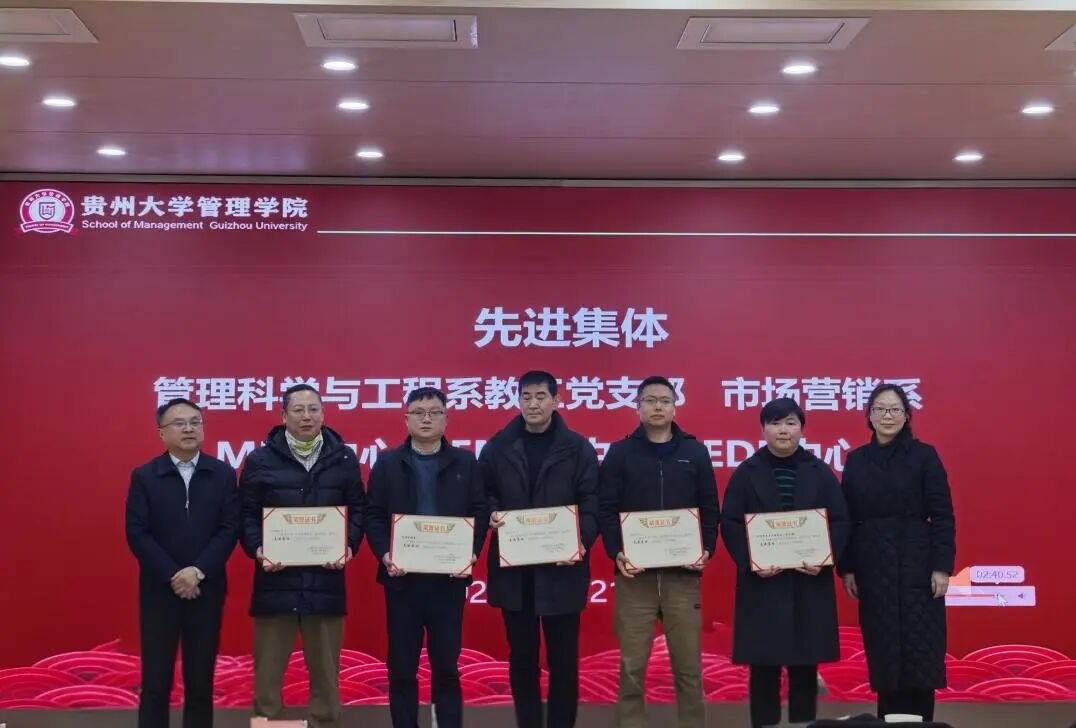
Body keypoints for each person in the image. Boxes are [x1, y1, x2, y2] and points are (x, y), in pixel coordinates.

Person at [239, 384, 365, 728]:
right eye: (298, 410)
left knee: (326, 677)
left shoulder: (343, 458)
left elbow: (358, 509)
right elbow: (246, 514)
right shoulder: (260, 459)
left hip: (325, 581)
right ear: (284, 416)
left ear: (323, 413)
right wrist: (258, 549)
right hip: (275, 582)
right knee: (267, 679)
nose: (306, 416)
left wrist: (348, 545)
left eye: (313, 409)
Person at [598, 375, 720, 728]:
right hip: (635, 577)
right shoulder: (620, 453)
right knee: (631, 667)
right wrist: (616, 551)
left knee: (688, 668)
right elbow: (607, 509)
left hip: (682, 576)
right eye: (650, 400)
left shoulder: (695, 452)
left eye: (664, 401)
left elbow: (709, 508)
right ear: (637, 407)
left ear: (674, 408)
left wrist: (706, 548)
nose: (657, 407)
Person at [720, 398, 849, 728]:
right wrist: (751, 561)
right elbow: (730, 522)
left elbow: (840, 520)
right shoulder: (746, 473)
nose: (783, 430)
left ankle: (803, 725)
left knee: (804, 668)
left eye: (790, 423)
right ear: (763, 429)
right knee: (763, 669)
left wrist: (824, 559)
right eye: (775, 423)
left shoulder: (820, 471)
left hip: (808, 581)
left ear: (801, 429)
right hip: (763, 584)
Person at [480, 370, 599, 728]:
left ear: (556, 400)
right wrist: (491, 514)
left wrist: (580, 541)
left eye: (541, 396)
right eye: (526, 397)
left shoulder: (577, 448)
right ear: (518, 400)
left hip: (562, 571)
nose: (533, 404)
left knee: (564, 662)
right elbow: (481, 494)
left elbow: (592, 501)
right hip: (516, 575)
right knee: (522, 661)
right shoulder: (497, 447)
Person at [365, 386, 488, 728]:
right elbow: (373, 514)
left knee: (446, 668)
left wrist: (470, 551)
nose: (426, 419)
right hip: (402, 581)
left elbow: (479, 510)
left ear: (446, 419)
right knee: (401, 669)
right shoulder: (388, 462)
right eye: (418, 413)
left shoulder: (465, 462)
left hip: (448, 582)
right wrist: (385, 554)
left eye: (434, 412)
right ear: (406, 419)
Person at [838, 383, 956, 721]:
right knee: (885, 655)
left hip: (918, 565)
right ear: (869, 416)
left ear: (906, 416)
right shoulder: (857, 460)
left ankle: (923, 722)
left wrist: (942, 567)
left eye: (895, 409)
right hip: (873, 567)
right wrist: (847, 567)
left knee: (921, 654)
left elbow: (943, 515)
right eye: (880, 409)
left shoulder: (925, 456)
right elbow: (847, 518)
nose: (887, 416)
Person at [125, 398, 240, 728]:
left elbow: (229, 529)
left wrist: (197, 571)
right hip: (160, 592)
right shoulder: (145, 476)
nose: (189, 428)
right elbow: (137, 533)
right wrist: (174, 574)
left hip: (206, 590)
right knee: (156, 682)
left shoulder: (222, 474)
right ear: (162, 433)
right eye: (179, 423)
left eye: (195, 422)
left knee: (200, 682)